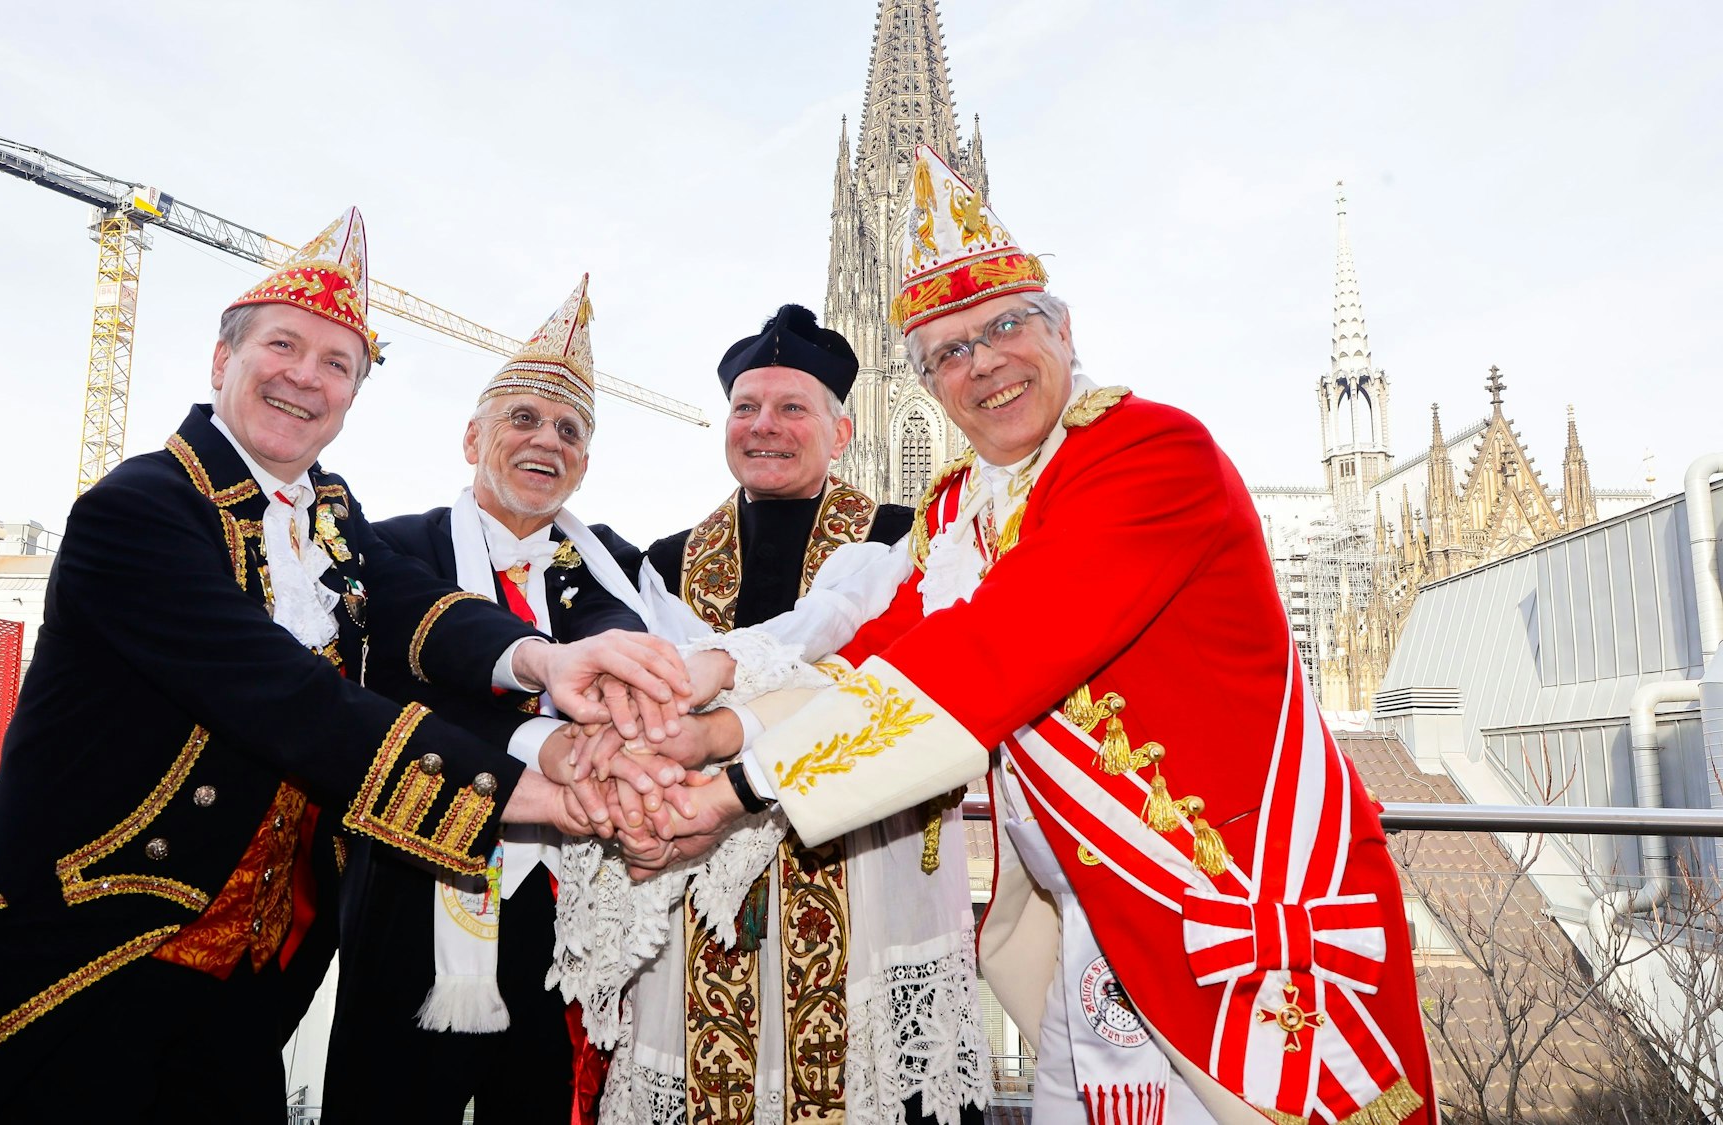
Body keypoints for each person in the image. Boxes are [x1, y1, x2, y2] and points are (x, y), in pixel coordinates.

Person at [609, 146, 1437, 1125]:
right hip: (1093, 933)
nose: (981, 363)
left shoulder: (1145, 454)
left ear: (1063, 329)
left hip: (1227, 922)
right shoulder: (961, 499)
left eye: (1002, 326)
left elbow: (987, 659)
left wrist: (735, 791)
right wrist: (714, 738)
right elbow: (875, 649)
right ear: (923, 384)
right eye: (946, 352)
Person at [0, 211, 690, 1125]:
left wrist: (546, 656)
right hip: (76, 957)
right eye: (284, 345)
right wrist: (539, 792)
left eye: (338, 364)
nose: (307, 375)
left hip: (247, 978)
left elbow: (414, 604)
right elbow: (287, 697)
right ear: (220, 359)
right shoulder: (140, 508)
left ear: (351, 398)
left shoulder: (330, 511)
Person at [558, 305, 990, 1124]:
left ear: (842, 429)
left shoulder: (908, 541)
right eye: (746, 408)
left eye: (793, 408)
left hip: (868, 882)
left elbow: (898, 692)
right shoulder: (667, 561)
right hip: (698, 907)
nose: (765, 427)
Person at [323, 276, 676, 1125]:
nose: (545, 441)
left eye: (569, 430)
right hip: (412, 895)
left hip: (568, 916)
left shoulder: (615, 567)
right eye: (523, 419)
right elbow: (393, 691)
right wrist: (546, 739)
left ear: (585, 463)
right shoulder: (394, 545)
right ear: (472, 435)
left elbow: (641, 667)